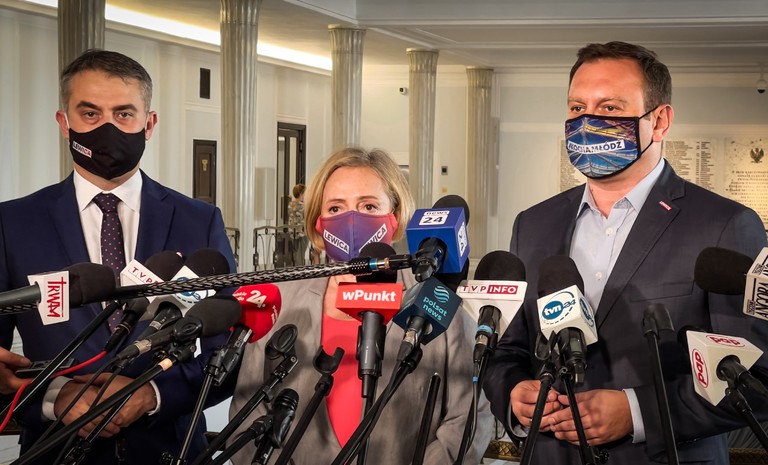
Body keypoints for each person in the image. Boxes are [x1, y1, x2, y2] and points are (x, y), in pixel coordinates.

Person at [483, 41, 768, 464]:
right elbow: (508, 350)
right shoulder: (533, 224)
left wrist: (638, 413)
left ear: (660, 120)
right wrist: (514, 394)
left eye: (610, 108)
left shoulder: (726, 225)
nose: (588, 121)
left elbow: (756, 378)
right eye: (577, 108)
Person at [0, 49, 236, 464]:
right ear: (64, 122)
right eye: (90, 113)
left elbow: (230, 351)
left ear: (149, 124)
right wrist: (55, 398)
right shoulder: (13, 224)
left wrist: (152, 394)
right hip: (53, 450)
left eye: (124, 114)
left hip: (171, 449)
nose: (107, 128)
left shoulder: (198, 222)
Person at [229, 147, 493, 464]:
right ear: (317, 222)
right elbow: (247, 411)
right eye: (335, 207)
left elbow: (468, 418)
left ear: (395, 216)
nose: (351, 220)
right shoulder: (279, 300)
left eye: (369, 206)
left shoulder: (436, 299)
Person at [287, 183, 309, 266]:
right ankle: (300, 269)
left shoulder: (290, 205)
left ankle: (296, 267)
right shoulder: (303, 206)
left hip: (292, 231)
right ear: (301, 193)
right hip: (302, 232)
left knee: (296, 252)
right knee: (301, 253)